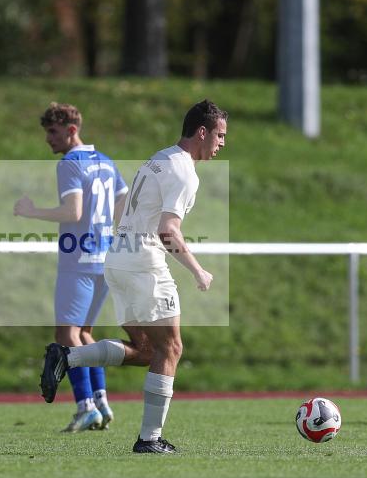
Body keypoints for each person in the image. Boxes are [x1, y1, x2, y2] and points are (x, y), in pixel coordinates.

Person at [40, 99, 228, 453]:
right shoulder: (184, 170)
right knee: (171, 347)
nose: (222, 144)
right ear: (202, 132)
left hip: (118, 260)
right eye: (219, 135)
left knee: (147, 350)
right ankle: (149, 439)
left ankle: (67, 357)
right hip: (143, 263)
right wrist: (198, 270)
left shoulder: (160, 157)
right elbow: (168, 230)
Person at [15, 102, 128, 432]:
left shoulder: (70, 163)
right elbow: (122, 209)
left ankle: (85, 406)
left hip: (78, 261)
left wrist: (31, 211)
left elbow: (73, 212)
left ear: (72, 130)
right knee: (84, 334)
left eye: (53, 131)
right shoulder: (106, 162)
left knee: (66, 334)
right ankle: (102, 401)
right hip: (105, 260)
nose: (48, 139)